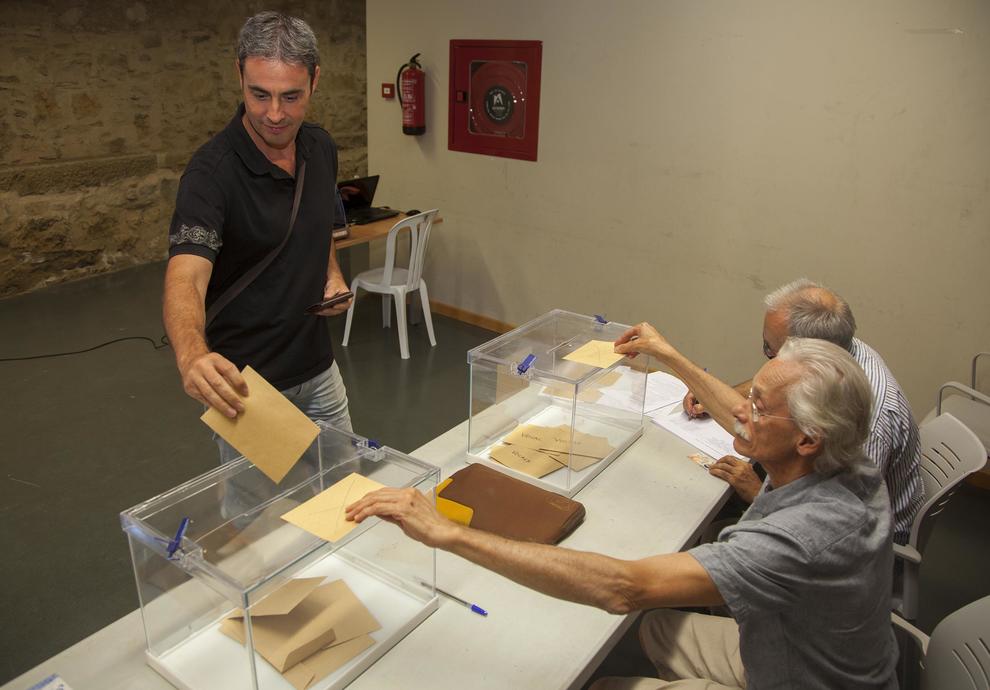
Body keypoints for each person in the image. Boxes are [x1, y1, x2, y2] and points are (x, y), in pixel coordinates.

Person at [346, 334, 898, 689]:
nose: (740, 411)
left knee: (603, 682)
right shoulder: (840, 456)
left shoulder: (804, 537)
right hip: (797, 647)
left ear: (807, 438)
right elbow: (742, 415)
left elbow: (624, 588)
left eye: (757, 406)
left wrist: (448, 533)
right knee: (653, 630)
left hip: (806, 680)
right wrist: (668, 353)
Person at [163, 11, 353, 453]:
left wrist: (332, 275)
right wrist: (191, 355)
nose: (275, 114)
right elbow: (186, 276)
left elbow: (318, 223)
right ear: (239, 76)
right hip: (247, 388)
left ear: (315, 80)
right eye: (260, 94)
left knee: (345, 483)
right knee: (263, 500)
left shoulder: (321, 147)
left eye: (291, 97)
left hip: (319, 370)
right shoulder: (211, 173)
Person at [686, 278, 923, 544]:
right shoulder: (840, 348)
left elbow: (841, 531)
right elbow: (782, 378)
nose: (744, 412)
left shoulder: (867, 423)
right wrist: (724, 393)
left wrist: (758, 492)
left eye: (771, 352)